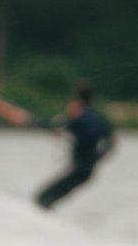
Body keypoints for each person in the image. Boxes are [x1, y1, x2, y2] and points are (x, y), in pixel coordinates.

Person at [31, 81, 117, 210]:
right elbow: (111, 143)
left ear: (76, 99)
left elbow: (54, 126)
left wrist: (32, 121)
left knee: (42, 199)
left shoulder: (80, 118)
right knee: (46, 200)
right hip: (86, 172)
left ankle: (41, 227)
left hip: (78, 171)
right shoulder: (98, 118)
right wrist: (95, 159)